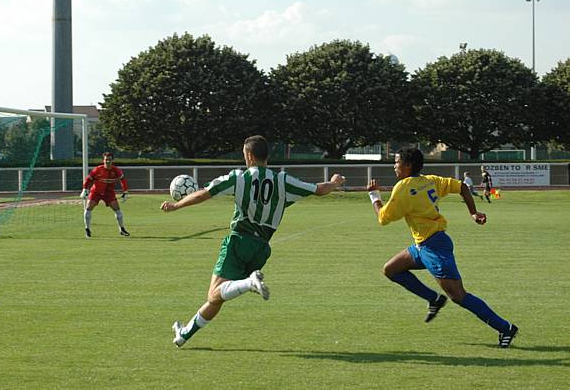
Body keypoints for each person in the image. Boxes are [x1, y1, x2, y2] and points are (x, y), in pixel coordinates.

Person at [161, 135, 346, 348]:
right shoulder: (283, 180)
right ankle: (184, 334)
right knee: (219, 296)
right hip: (261, 249)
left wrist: (177, 206)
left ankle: (250, 282)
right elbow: (319, 190)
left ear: (249, 155)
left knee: (214, 293)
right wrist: (333, 183)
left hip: (239, 241)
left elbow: (204, 194)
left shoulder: (239, 177)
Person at [366, 148, 518, 348]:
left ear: (407, 165)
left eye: (396, 162)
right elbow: (463, 187)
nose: (394, 166)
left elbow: (383, 218)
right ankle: (434, 299)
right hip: (425, 244)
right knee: (391, 269)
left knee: (458, 295)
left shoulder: (403, 187)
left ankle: (505, 328)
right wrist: (473, 213)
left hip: (433, 248)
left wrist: (374, 195)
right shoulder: (431, 180)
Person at [80, 152, 130, 238]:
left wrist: (125, 192)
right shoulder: (97, 169)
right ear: (103, 160)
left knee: (117, 210)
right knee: (88, 208)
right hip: (96, 192)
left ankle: (121, 229)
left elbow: (123, 180)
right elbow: (88, 179)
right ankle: (87, 229)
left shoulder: (116, 170)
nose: (108, 161)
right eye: (106, 160)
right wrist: (85, 189)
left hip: (109, 193)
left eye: (109, 160)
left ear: (112, 160)